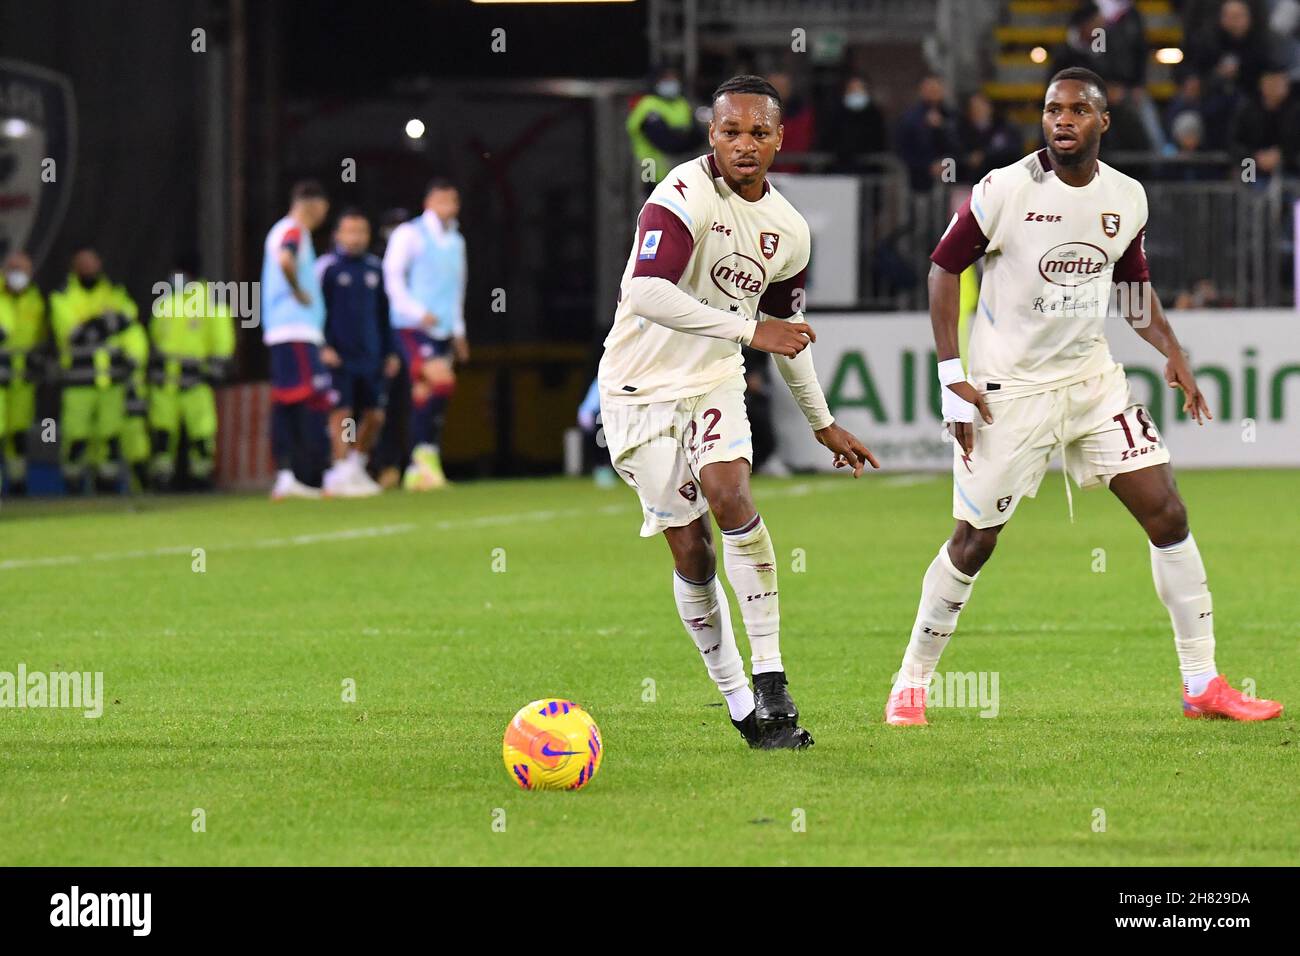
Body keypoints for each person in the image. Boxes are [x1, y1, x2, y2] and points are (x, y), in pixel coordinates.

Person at [883, 67, 1283, 726]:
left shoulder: (1127, 197)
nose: (1061, 120)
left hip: (1093, 384)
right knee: (974, 541)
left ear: (1103, 121)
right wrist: (951, 374)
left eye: (1076, 110)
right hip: (1008, 393)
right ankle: (911, 682)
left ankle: (1202, 683)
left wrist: (1173, 352)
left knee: (1168, 513)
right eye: (1051, 109)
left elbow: (1131, 289)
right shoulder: (1004, 189)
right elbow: (942, 266)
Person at [598, 74, 879, 751]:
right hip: (637, 391)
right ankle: (740, 705)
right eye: (731, 131)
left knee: (731, 496)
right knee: (692, 553)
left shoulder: (788, 231)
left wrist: (822, 421)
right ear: (711, 135)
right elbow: (645, 294)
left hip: (713, 382)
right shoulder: (680, 195)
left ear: (780, 138)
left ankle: (772, 674)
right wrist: (750, 332)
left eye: (758, 132)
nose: (744, 144)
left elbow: (790, 333)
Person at [382, 178, 468, 491]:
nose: (449, 206)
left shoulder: (456, 240)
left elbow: (457, 288)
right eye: (443, 199)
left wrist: (459, 331)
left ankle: (420, 466)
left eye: (454, 200)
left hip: (443, 329)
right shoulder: (409, 234)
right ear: (429, 202)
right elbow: (393, 277)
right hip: (413, 327)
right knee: (441, 381)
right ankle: (422, 455)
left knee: (427, 393)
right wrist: (417, 312)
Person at [317, 209, 400, 497]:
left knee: (375, 415)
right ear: (337, 235)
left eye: (360, 232)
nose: (354, 238)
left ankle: (356, 463)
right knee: (342, 413)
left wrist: (391, 351)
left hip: (372, 354)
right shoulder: (327, 268)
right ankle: (339, 470)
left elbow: (385, 314)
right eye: (349, 232)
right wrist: (322, 345)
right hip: (340, 354)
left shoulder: (375, 269)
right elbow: (315, 311)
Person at [261, 179, 331, 500]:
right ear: (312, 205)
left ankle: (289, 474)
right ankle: (308, 476)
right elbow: (286, 260)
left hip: (283, 331)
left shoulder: (279, 230)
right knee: (310, 400)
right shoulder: (294, 231)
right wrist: (299, 291)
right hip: (296, 330)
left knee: (288, 401)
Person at [49, 248, 140, 494]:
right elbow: (74, 335)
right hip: (78, 381)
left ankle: (106, 485)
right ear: (75, 268)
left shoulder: (112, 291)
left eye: (93, 265)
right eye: (84, 266)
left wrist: (93, 325)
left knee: (110, 438)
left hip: (110, 380)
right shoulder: (63, 295)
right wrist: (107, 323)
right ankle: (73, 485)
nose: (89, 270)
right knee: (76, 438)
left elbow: (130, 317)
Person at [147, 261, 236, 490]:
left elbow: (221, 335)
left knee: (202, 432)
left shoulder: (208, 299)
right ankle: (162, 477)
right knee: (163, 432)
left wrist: (218, 364)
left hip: (196, 380)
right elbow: (156, 335)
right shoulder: (165, 300)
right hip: (165, 382)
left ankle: (201, 476)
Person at [0, 252, 47, 494]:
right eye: (13, 268)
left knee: (18, 433)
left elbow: (40, 337)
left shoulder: (35, 301)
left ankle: (18, 482)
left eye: (23, 270)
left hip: (22, 379)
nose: (18, 274)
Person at [627, 66, 701, 192]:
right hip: (650, 173)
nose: (671, 83)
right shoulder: (648, 105)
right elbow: (665, 142)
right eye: (666, 79)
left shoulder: (682, 104)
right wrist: (684, 138)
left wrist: (681, 138)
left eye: (673, 79)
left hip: (679, 177)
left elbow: (699, 137)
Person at [1230, 67, 1300, 181]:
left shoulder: (1296, 112)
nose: (1278, 87)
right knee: (1247, 177)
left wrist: (1281, 155)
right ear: (1263, 85)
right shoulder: (1247, 110)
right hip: (1252, 166)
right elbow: (1234, 143)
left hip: (1289, 168)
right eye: (1273, 83)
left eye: (1282, 83)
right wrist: (1256, 156)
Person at [895, 74, 963, 192]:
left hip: (949, 175)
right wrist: (927, 165)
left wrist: (941, 128)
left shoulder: (952, 116)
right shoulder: (910, 118)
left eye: (936, 89)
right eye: (929, 89)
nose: (933, 93)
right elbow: (903, 148)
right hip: (917, 178)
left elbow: (958, 145)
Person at [820, 74, 888, 173]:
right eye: (853, 89)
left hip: (867, 173)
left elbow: (879, 142)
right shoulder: (835, 114)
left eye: (860, 89)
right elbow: (826, 140)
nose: (856, 93)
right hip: (839, 170)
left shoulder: (874, 115)